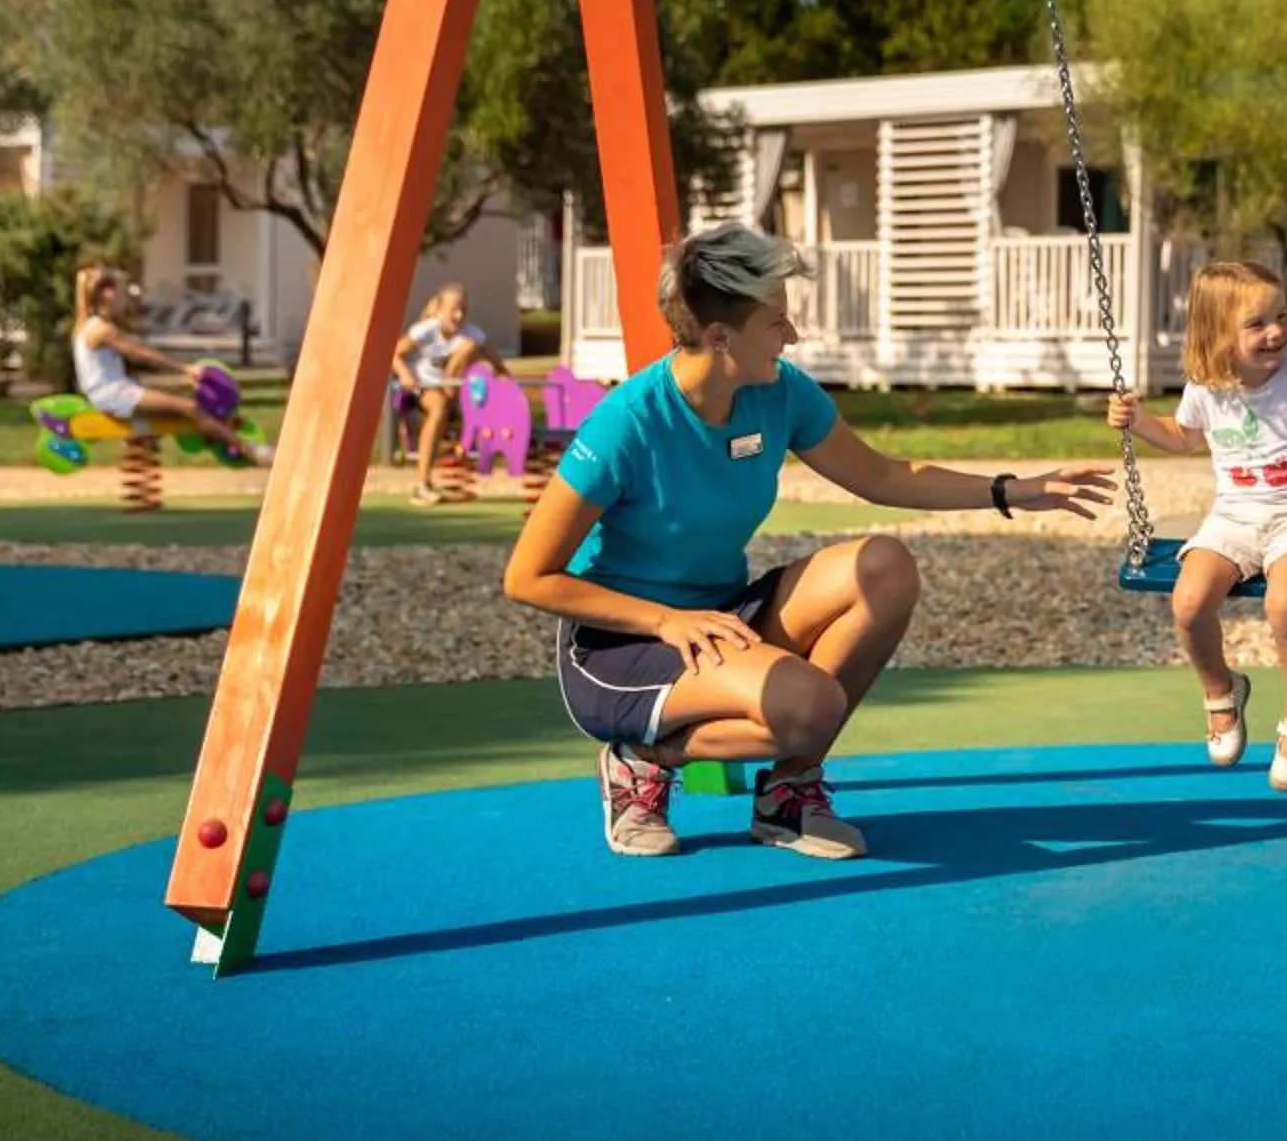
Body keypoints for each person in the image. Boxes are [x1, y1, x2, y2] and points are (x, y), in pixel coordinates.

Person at [504, 224, 1115, 861]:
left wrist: (1011, 490)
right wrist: (665, 621)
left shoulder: (778, 391)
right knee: (811, 705)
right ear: (719, 338)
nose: (791, 336)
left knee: (885, 568)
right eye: (777, 322)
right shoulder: (626, 424)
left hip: (720, 616)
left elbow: (881, 476)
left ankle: (787, 795)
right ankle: (640, 760)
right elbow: (527, 576)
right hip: (621, 645)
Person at [1106, 260, 1287, 794]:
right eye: (1256, 324)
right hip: (1233, 516)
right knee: (1187, 603)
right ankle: (1222, 692)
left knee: (1282, 604)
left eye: (1281, 316)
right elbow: (1183, 437)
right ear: (1218, 334)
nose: (1276, 331)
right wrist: (1136, 422)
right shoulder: (1206, 388)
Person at [70, 267, 271, 463]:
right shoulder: (102, 330)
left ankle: (144, 435)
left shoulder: (89, 327)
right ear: (108, 294)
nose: (125, 301)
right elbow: (143, 354)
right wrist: (185, 369)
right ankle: (249, 450)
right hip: (116, 395)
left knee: (174, 404)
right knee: (191, 408)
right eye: (122, 294)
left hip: (112, 393)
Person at [393, 283, 503, 506]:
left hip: (455, 387)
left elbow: (498, 366)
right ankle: (421, 484)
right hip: (424, 386)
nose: (459, 315)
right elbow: (395, 354)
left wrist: (503, 383)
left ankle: (474, 456)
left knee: (471, 348)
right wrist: (405, 375)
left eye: (463, 309)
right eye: (453, 309)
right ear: (440, 310)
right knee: (439, 407)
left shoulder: (472, 334)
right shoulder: (426, 330)